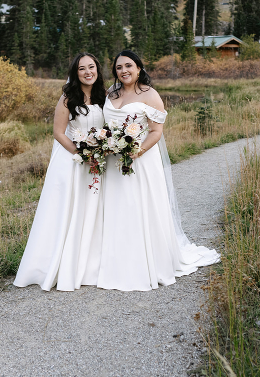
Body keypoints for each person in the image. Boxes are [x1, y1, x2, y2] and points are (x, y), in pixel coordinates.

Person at [97, 50, 220, 291]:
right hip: (114, 160)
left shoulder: (150, 95)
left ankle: (146, 258)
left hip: (140, 159)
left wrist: (136, 151)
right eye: (119, 67)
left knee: (139, 204)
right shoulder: (111, 93)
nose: (124, 71)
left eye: (129, 66)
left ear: (139, 68)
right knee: (117, 204)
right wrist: (107, 144)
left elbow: (156, 131)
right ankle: (115, 255)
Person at [13, 53, 107, 291]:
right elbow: (59, 132)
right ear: (75, 73)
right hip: (73, 162)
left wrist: (100, 151)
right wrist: (83, 154)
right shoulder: (67, 99)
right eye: (82, 68)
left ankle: (89, 265)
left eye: (91, 67)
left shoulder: (103, 97)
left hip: (96, 161)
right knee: (68, 209)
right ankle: (57, 264)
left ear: (97, 69)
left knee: (91, 211)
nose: (88, 72)